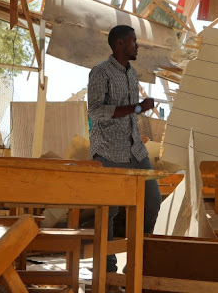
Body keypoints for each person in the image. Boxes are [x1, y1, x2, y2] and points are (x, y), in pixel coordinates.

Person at [87, 25, 162, 273]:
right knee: (109, 211)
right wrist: (137, 108)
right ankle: (108, 273)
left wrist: (138, 110)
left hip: (135, 151)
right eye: (133, 41)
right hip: (109, 150)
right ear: (119, 43)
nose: (137, 45)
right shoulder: (100, 72)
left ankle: (138, 266)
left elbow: (133, 112)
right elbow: (96, 111)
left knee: (152, 202)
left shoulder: (133, 74)